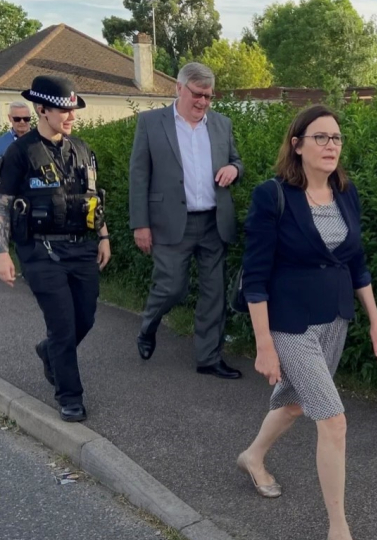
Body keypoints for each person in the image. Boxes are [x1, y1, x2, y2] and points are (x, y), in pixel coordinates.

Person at [238, 105, 377, 540]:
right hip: (290, 323)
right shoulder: (274, 195)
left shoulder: (347, 193)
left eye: (336, 138)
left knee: (297, 403)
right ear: (297, 144)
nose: (330, 146)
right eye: (320, 137)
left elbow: (357, 264)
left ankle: (252, 456)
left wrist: (375, 324)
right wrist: (263, 343)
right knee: (333, 419)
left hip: (334, 318)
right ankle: (338, 527)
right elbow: (256, 274)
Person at [0, 75, 111, 423]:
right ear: (41, 109)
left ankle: (48, 352)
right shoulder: (19, 153)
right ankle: (69, 395)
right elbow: (2, 205)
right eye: (64, 109)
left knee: (84, 318)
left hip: (81, 248)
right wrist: (2, 253)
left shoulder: (83, 150)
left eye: (73, 109)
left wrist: (103, 236)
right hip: (40, 252)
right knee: (62, 324)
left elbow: (93, 200)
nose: (71, 116)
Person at [129, 62, 243, 379]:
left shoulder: (221, 124)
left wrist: (234, 169)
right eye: (197, 94)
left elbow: (235, 161)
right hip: (169, 223)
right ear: (178, 88)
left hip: (213, 222)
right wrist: (140, 224)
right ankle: (148, 327)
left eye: (208, 96)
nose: (203, 102)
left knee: (214, 293)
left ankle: (208, 357)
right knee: (172, 289)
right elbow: (139, 176)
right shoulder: (151, 123)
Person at [0, 102, 33, 214]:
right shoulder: (0, 143)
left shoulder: (39, 140)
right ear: (9, 118)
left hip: (33, 198)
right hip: (7, 199)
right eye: (17, 119)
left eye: (26, 119)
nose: (22, 122)